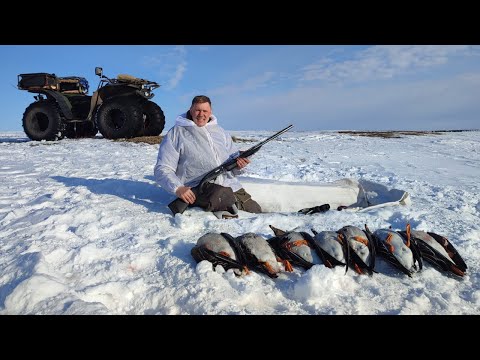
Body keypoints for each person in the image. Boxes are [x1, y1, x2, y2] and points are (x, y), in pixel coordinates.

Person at [154, 95, 262, 218]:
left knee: (257, 213)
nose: (201, 114)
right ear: (191, 110)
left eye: (205, 111)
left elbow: (234, 159)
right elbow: (163, 168)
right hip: (200, 190)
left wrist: (240, 164)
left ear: (210, 112)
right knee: (237, 220)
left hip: (231, 186)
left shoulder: (220, 132)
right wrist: (178, 188)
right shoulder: (176, 133)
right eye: (197, 110)